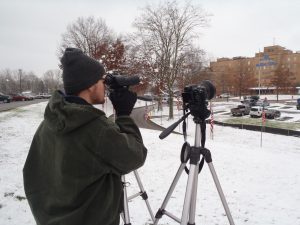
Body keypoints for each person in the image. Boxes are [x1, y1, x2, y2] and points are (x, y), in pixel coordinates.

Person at [23, 48, 147, 225]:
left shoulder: (50, 122)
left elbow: (31, 173)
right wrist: (125, 115)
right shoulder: (95, 129)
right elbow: (136, 156)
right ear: (90, 85)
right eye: (102, 81)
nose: (105, 86)